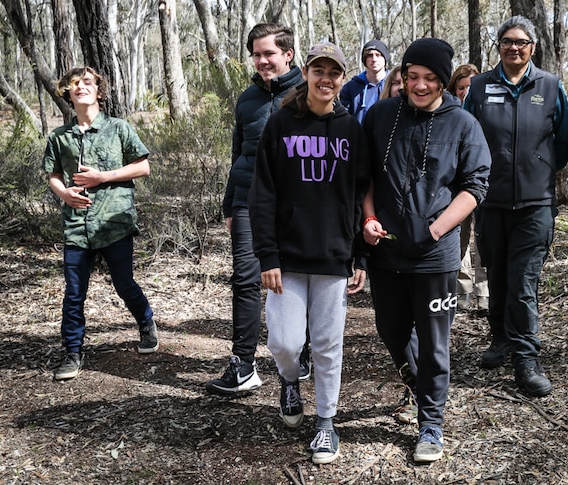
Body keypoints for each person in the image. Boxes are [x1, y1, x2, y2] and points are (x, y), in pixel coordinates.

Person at [362, 38, 491, 463]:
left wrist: (435, 229)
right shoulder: (381, 116)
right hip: (386, 250)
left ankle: (431, 425)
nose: (418, 86)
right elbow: (364, 179)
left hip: (435, 254)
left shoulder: (463, 123)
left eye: (429, 79)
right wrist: (367, 219)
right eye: (412, 76)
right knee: (391, 330)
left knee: (435, 343)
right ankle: (417, 388)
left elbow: (474, 187)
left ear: (442, 80)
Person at [250, 41, 368, 464]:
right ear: (305, 73)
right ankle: (288, 380)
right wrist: (267, 256)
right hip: (287, 257)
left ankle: (325, 424)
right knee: (284, 342)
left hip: (334, 256)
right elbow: (261, 193)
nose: (326, 79)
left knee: (327, 343)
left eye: (334, 72)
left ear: (341, 79)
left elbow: (359, 196)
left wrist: (360, 256)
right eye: (318, 70)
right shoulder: (281, 124)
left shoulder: (351, 128)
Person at [463, 16, 568, 397]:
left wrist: (539, 168)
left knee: (524, 281)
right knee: (497, 275)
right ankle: (500, 339)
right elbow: (467, 137)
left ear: (533, 47)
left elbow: (565, 139)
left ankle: (526, 359)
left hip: (535, 203)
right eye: (507, 41)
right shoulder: (479, 87)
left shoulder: (550, 86)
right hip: (489, 201)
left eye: (521, 42)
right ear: (498, 46)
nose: (514, 47)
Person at [207, 23, 305, 395]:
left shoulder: (308, 94)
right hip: (249, 200)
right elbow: (239, 156)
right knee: (246, 279)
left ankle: (301, 351)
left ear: (287, 54)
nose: (262, 60)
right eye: (256, 54)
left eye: (269, 53)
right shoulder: (247, 99)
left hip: (296, 204)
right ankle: (243, 364)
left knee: (297, 278)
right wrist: (230, 205)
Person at [43, 66, 158, 381]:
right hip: (76, 226)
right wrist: (64, 193)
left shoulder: (118, 128)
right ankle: (73, 352)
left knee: (124, 284)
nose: (81, 87)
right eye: (75, 84)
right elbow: (53, 174)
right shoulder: (59, 137)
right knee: (74, 292)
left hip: (113, 221)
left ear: (99, 91)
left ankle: (146, 322)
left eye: (88, 83)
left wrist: (102, 177)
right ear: (68, 94)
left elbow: (143, 166)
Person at [446, 64, 487, 311]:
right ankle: (463, 291)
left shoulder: (488, 112)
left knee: (482, 240)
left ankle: (484, 293)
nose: (465, 92)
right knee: (459, 239)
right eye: (460, 88)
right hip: (455, 189)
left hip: (482, 185)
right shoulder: (447, 114)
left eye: (469, 88)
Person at [340, 40, 390, 123]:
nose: (374, 59)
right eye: (370, 55)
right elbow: (344, 119)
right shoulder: (350, 88)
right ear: (365, 60)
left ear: (385, 58)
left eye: (378, 55)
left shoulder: (395, 84)